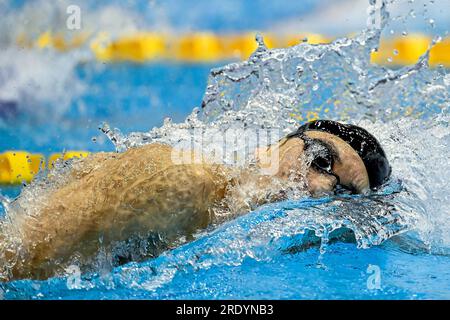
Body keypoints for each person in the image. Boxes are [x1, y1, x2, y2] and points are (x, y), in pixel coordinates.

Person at [0, 120, 391, 281]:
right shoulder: (179, 180)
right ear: (279, 144)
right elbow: (16, 258)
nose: (322, 186)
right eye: (321, 158)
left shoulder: (240, 236)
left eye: (340, 191)